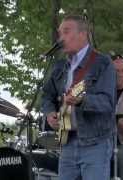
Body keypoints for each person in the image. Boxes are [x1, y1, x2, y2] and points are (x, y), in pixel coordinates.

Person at [42, 15, 116, 180]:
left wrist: (82, 100)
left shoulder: (103, 63)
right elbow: (47, 95)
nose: (61, 38)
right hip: (67, 141)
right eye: (60, 33)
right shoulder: (60, 66)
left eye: (66, 32)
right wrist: (49, 113)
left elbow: (108, 103)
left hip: (95, 143)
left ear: (83, 34)